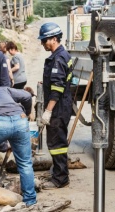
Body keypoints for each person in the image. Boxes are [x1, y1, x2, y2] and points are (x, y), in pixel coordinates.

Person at [38, 22, 73, 189]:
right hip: (63, 106)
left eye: (44, 40)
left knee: (57, 144)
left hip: (58, 108)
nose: (42, 44)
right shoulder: (63, 55)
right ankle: (59, 173)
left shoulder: (58, 58)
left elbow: (57, 88)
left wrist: (48, 111)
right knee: (58, 141)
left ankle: (60, 179)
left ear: (53, 39)